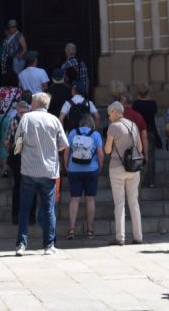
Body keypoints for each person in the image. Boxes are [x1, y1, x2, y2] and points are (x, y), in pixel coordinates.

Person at [14, 90, 68, 256]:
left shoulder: (26, 118)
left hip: (29, 169)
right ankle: (49, 245)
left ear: (34, 104)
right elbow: (63, 144)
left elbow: (17, 141)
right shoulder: (54, 120)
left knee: (24, 209)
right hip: (49, 170)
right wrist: (49, 150)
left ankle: (22, 244)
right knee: (48, 209)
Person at [104, 100, 144, 246]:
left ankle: (120, 238)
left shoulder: (113, 127)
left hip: (117, 168)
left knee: (119, 203)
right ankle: (138, 236)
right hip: (133, 168)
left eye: (109, 114)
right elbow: (139, 147)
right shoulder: (133, 125)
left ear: (115, 112)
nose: (108, 117)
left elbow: (107, 150)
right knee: (134, 203)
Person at [62, 109, 103, 239]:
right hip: (91, 170)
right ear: (91, 123)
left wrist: (66, 165)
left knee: (74, 199)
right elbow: (100, 153)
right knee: (90, 199)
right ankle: (90, 230)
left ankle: (71, 230)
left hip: (74, 169)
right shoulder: (95, 134)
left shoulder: (73, 133)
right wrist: (100, 166)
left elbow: (66, 151)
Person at [2, 90, 35, 224]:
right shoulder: (32, 122)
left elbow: (6, 141)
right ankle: (31, 217)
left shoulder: (13, 121)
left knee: (17, 186)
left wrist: (10, 151)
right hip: (31, 157)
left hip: (17, 156)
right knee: (31, 187)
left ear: (17, 110)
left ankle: (16, 215)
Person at [130, 84, 160, 188]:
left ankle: (140, 180)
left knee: (138, 155)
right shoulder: (152, 103)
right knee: (151, 157)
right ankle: (151, 181)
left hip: (138, 131)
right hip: (150, 131)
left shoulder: (136, 104)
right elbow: (155, 112)